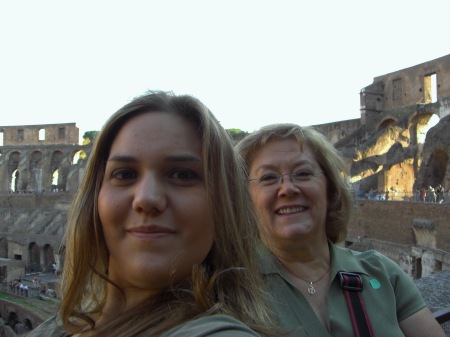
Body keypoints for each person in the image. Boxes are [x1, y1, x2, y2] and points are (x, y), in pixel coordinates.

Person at [27, 91, 277, 337]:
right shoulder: (59, 327)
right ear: (94, 196)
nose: (146, 198)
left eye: (182, 174)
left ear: (224, 203)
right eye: (125, 174)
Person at [236, 123, 446, 337]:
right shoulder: (232, 289)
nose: (288, 188)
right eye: (268, 177)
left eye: (303, 173)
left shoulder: (383, 272)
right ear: (245, 198)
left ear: (330, 188)